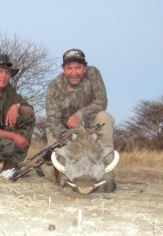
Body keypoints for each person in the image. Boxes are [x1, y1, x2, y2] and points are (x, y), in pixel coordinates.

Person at [42, 48, 115, 179]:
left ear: (85, 68)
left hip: (90, 125)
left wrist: (80, 114)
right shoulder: (54, 86)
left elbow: (102, 101)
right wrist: (64, 134)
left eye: (78, 68)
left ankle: (108, 166)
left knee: (105, 117)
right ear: (63, 69)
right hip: (64, 129)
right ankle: (57, 172)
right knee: (55, 166)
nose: (74, 73)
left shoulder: (94, 74)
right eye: (69, 68)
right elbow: (52, 120)